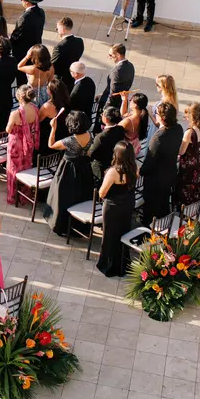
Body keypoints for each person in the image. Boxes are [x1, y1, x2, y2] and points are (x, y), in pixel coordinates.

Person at [46, 111, 93, 237]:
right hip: (84, 169)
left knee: (62, 196)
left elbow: (51, 145)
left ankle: (60, 224)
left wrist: (53, 129)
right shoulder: (91, 135)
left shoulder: (70, 140)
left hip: (67, 170)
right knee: (80, 196)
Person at [96, 141, 138, 277]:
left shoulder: (114, 172)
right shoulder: (134, 167)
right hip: (128, 203)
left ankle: (108, 265)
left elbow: (102, 193)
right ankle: (122, 264)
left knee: (110, 235)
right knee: (123, 232)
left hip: (113, 207)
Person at [140, 102, 184, 224]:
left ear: (162, 117)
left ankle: (149, 229)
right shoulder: (179, 129)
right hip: (169, 173)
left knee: (151, 208)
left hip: (156, 179)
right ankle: (163, 226)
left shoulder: (158, 137)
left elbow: (149, 161)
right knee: (163, 203)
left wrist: (140, 171)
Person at [4, 85, 40, 204]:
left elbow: (8, 130)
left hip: (16, 144)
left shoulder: (15, 113)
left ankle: (13, 196)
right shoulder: (35, 109)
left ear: (20, 97)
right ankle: (24, 194)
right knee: (25, 167)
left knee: (13, 169)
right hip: (28, 143)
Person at [94, 43, 135, 132]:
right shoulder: (130, 66)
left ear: (118, 55)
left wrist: (105, 111)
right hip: (121, 102)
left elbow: (113, 94)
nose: (109, 57)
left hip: (111, 107)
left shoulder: (116, 72)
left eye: (110, 55)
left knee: (102, 130)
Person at [9, 0, 46, 83]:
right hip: (36, 48)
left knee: (21, 77)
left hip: (23, 52)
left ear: (26, 1)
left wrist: (8, 44)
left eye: (21, 0)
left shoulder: (24, 18)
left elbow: (15, 36)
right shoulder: (41, 12)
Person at [175, 103, 200, 208]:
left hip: (188, 163)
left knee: (185, 187)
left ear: (192, 116)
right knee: (194, 185)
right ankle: (193, 207)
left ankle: (184, 208)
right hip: (197, 160)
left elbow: (181, 151)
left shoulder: (189, 132)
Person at [87, 106, 126, 189]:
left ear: (107, 119)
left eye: (102, 114)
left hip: (101, 166)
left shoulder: (101, 137)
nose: (101, 116)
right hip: (114, 161)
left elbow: (91, 153)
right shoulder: (120, 129)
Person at [50, 17, 84, 90]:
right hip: (73, 77)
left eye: (57, 29)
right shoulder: (80, 41)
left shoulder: (59, 47)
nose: (57, 31)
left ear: (62, 29)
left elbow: (52, 65)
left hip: (61, 80)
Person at [38, 79, 70, 154]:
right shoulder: (67, 100)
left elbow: (38, 120)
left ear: (52, 92)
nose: (46, 88)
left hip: (48, 136)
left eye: (48, 87)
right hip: (62, 134)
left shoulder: (47, 106)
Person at [118, 91, 149, 157]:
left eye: (131, 100)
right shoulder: (141, 115)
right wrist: (124, 100)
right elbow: (123, 114)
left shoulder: (128, 121)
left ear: (135, 105)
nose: (130, 101)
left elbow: (115, 131)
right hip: (135, 147)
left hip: (125, 151)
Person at [149, 74, 179, 142]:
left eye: (157, 84)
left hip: (156, 132)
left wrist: (149, 112)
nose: (155, 86)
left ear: (163, 87)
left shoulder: (163, 104)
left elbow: (158, 123)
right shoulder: (174, 100)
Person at [67, 61, 96, 127]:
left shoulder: (76, 91)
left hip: (78, 122)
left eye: (71, 71)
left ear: (75, 74)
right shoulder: (90, 81)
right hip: (87, 117)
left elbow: (70, 105)